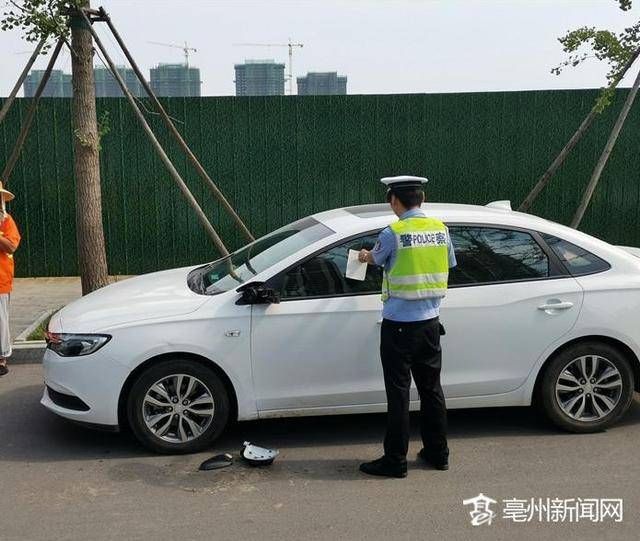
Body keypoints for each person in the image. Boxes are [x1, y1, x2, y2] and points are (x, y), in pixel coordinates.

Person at [358, 175, 456, 478]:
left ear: (393, 201)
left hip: (399, 326)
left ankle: (395, 461)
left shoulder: (393, 232)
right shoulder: (441, 231)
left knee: (399, 394)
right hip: (430, 323)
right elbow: (448, 264)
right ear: (422, 199)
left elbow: (377, 258)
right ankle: (438, 454)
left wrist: (366, 256)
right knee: (431, 390)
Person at [0, 181, 21, 377]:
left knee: (0, 321)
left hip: (1, 280)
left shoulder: (7, 221)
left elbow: (11, 246)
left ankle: (1, 359)